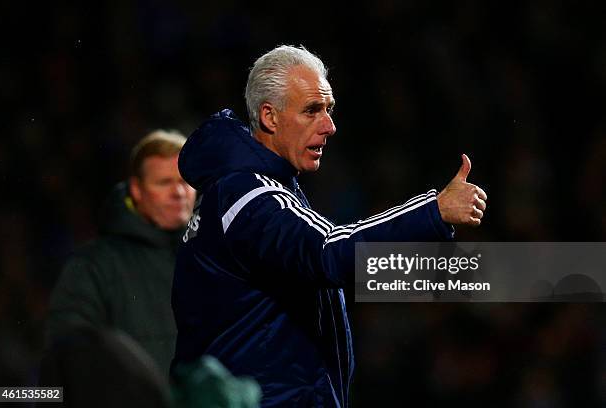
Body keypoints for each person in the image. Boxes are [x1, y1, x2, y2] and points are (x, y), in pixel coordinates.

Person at [171, 45, 487, 407]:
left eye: (329, 109)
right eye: (312, 111)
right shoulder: (247, 196)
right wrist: (434, 210)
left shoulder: (253, 189)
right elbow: (329, 253)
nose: (330, 126)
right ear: (270, 117)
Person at [46, 130, 196, 374]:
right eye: (164, 182)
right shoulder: (93, 265)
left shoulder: (218, 257)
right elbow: (69, 355)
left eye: (185, 181)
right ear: (136, 190)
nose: (178, 193)